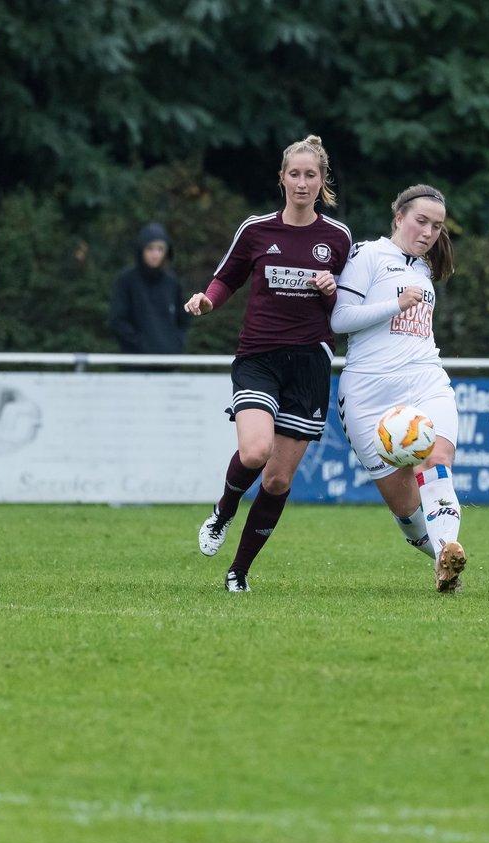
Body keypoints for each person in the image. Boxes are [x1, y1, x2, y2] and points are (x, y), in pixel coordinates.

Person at [184, 134, 352, 592]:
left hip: (310, 364)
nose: (302, 183)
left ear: (322, 182)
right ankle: (223, 511)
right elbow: (226, 277)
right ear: (281, 179)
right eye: (294, 174)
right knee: (255, 452)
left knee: (277, 480)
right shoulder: (257, 230)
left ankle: (238, 572)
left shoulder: (338, 238)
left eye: (310, 175)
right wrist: (207, 301)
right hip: (259, 355)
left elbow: (347, 306)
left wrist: (332, 290)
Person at [330, 184, 468, 593]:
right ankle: (440, 557)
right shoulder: (369, 254)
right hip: (369, 393)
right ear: (399, 218)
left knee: (436, 458)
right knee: (406, 510)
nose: (427, 232)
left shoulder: (424, 268)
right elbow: (339, 320)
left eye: (436, 226)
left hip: (425, 379)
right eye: (420, 221)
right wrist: (396, 303)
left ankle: (450, 548)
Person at [109, 222, 190, 356]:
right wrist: (140, 345)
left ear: (166, 251)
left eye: (160, 249)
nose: (155, 254)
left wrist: (175, 344)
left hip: (169, 363)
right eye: (150, 248)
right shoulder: (126, 280)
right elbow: (117, 320)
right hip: (135, 364)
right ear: (141, 250)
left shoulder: (173, 283)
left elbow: (183, 320)